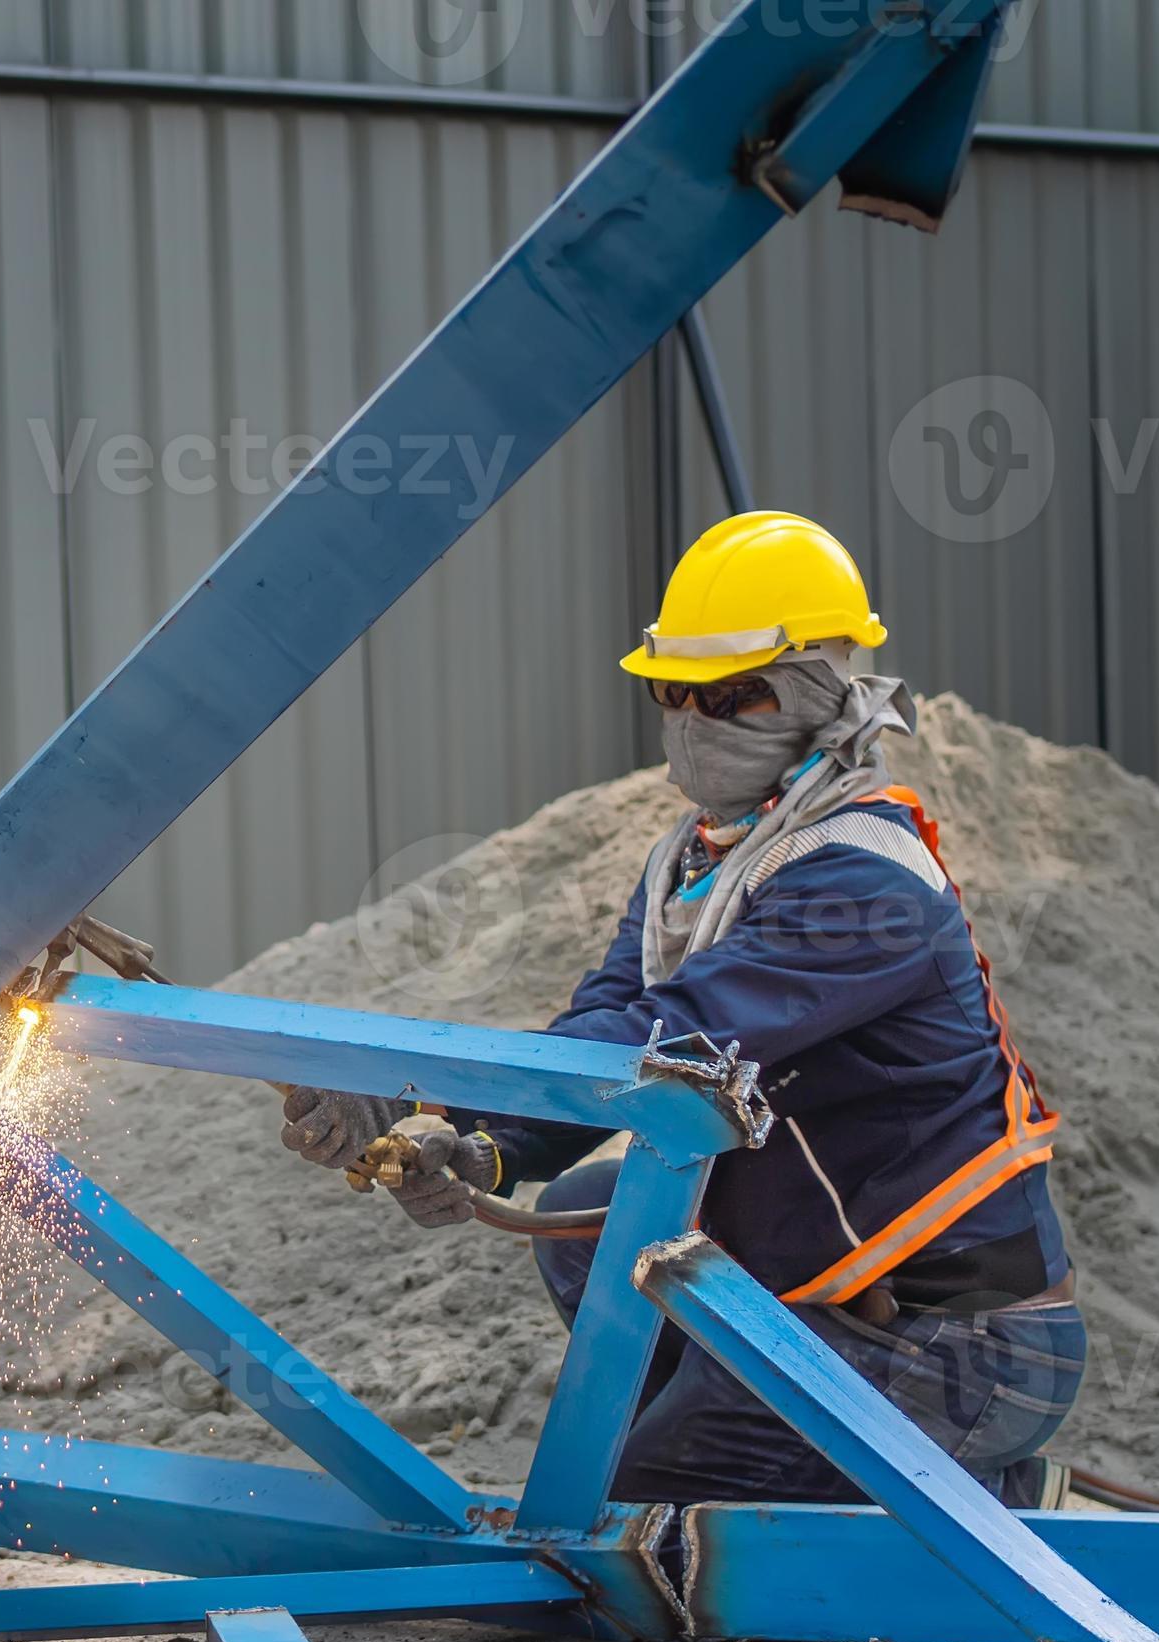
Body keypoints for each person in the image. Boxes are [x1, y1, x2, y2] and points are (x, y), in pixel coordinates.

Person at [278, 511, 1081, 1508]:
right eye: (674, 691)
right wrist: (473, 1141)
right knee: (587, 1218)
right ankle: (752, 1435)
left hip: (954, 1338)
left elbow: (667, 1043)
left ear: (820, 698)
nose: (693, 720)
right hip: (822, 1297)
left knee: (635, 1526)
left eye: (731, 694)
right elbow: (609, 1018)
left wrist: (401, 1093)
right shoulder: (698, 862)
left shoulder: (863, 887)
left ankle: (961, 1476)